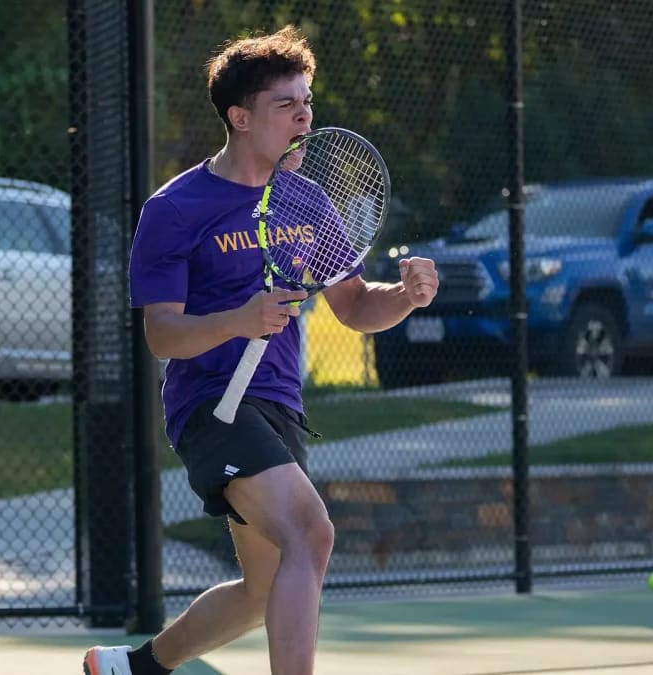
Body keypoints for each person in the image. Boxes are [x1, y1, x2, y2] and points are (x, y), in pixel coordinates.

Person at [83, 25, 438, 675]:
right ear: (240, 118)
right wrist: (238, 319)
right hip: (211, 405)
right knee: (312, 532)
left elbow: (356, 305)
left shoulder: (308, 200)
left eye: (308, 103)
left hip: (277, 403)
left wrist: (406, 295)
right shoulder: (175, 209)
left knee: (261, 591)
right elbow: (162, 333)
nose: (305, 116)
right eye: (286, 105)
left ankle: (134, 667)